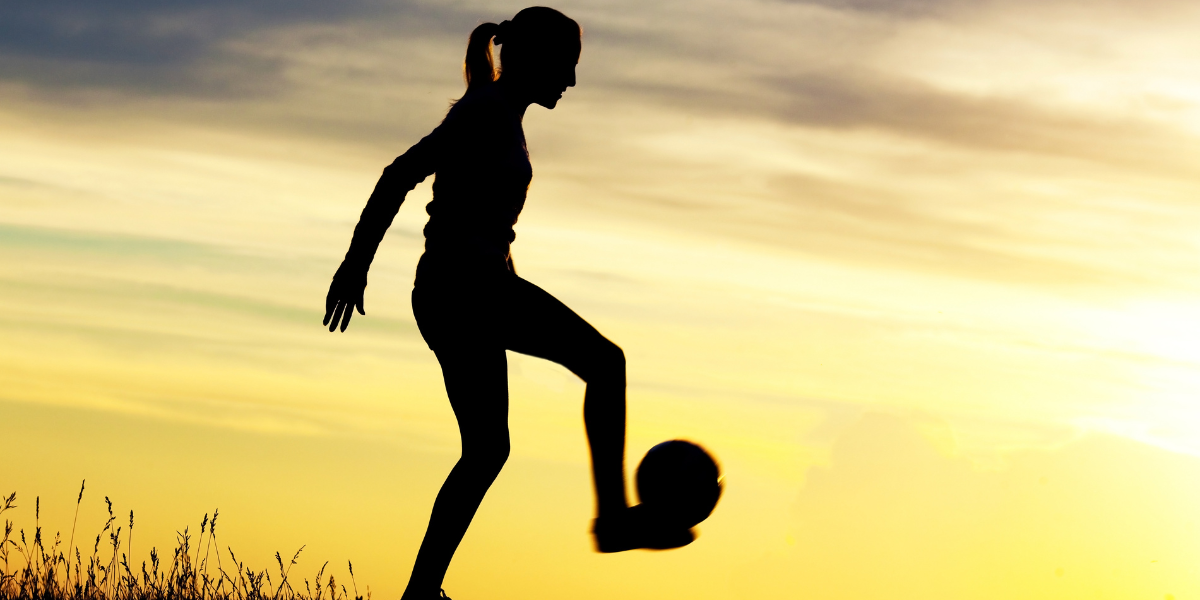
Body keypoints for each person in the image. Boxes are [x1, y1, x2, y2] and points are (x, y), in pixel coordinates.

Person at [322, 7, 693, 600]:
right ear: (537, 59)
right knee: (606, 363)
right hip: (463, 288)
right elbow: (400, 174)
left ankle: (421, 592)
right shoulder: (488, 113)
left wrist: (499, 270)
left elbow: (477, 219)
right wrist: (354, 265)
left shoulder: (499, 114)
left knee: (488, 449)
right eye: (567, 67)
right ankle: (614, 521)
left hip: (455, 288)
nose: (571, 82)